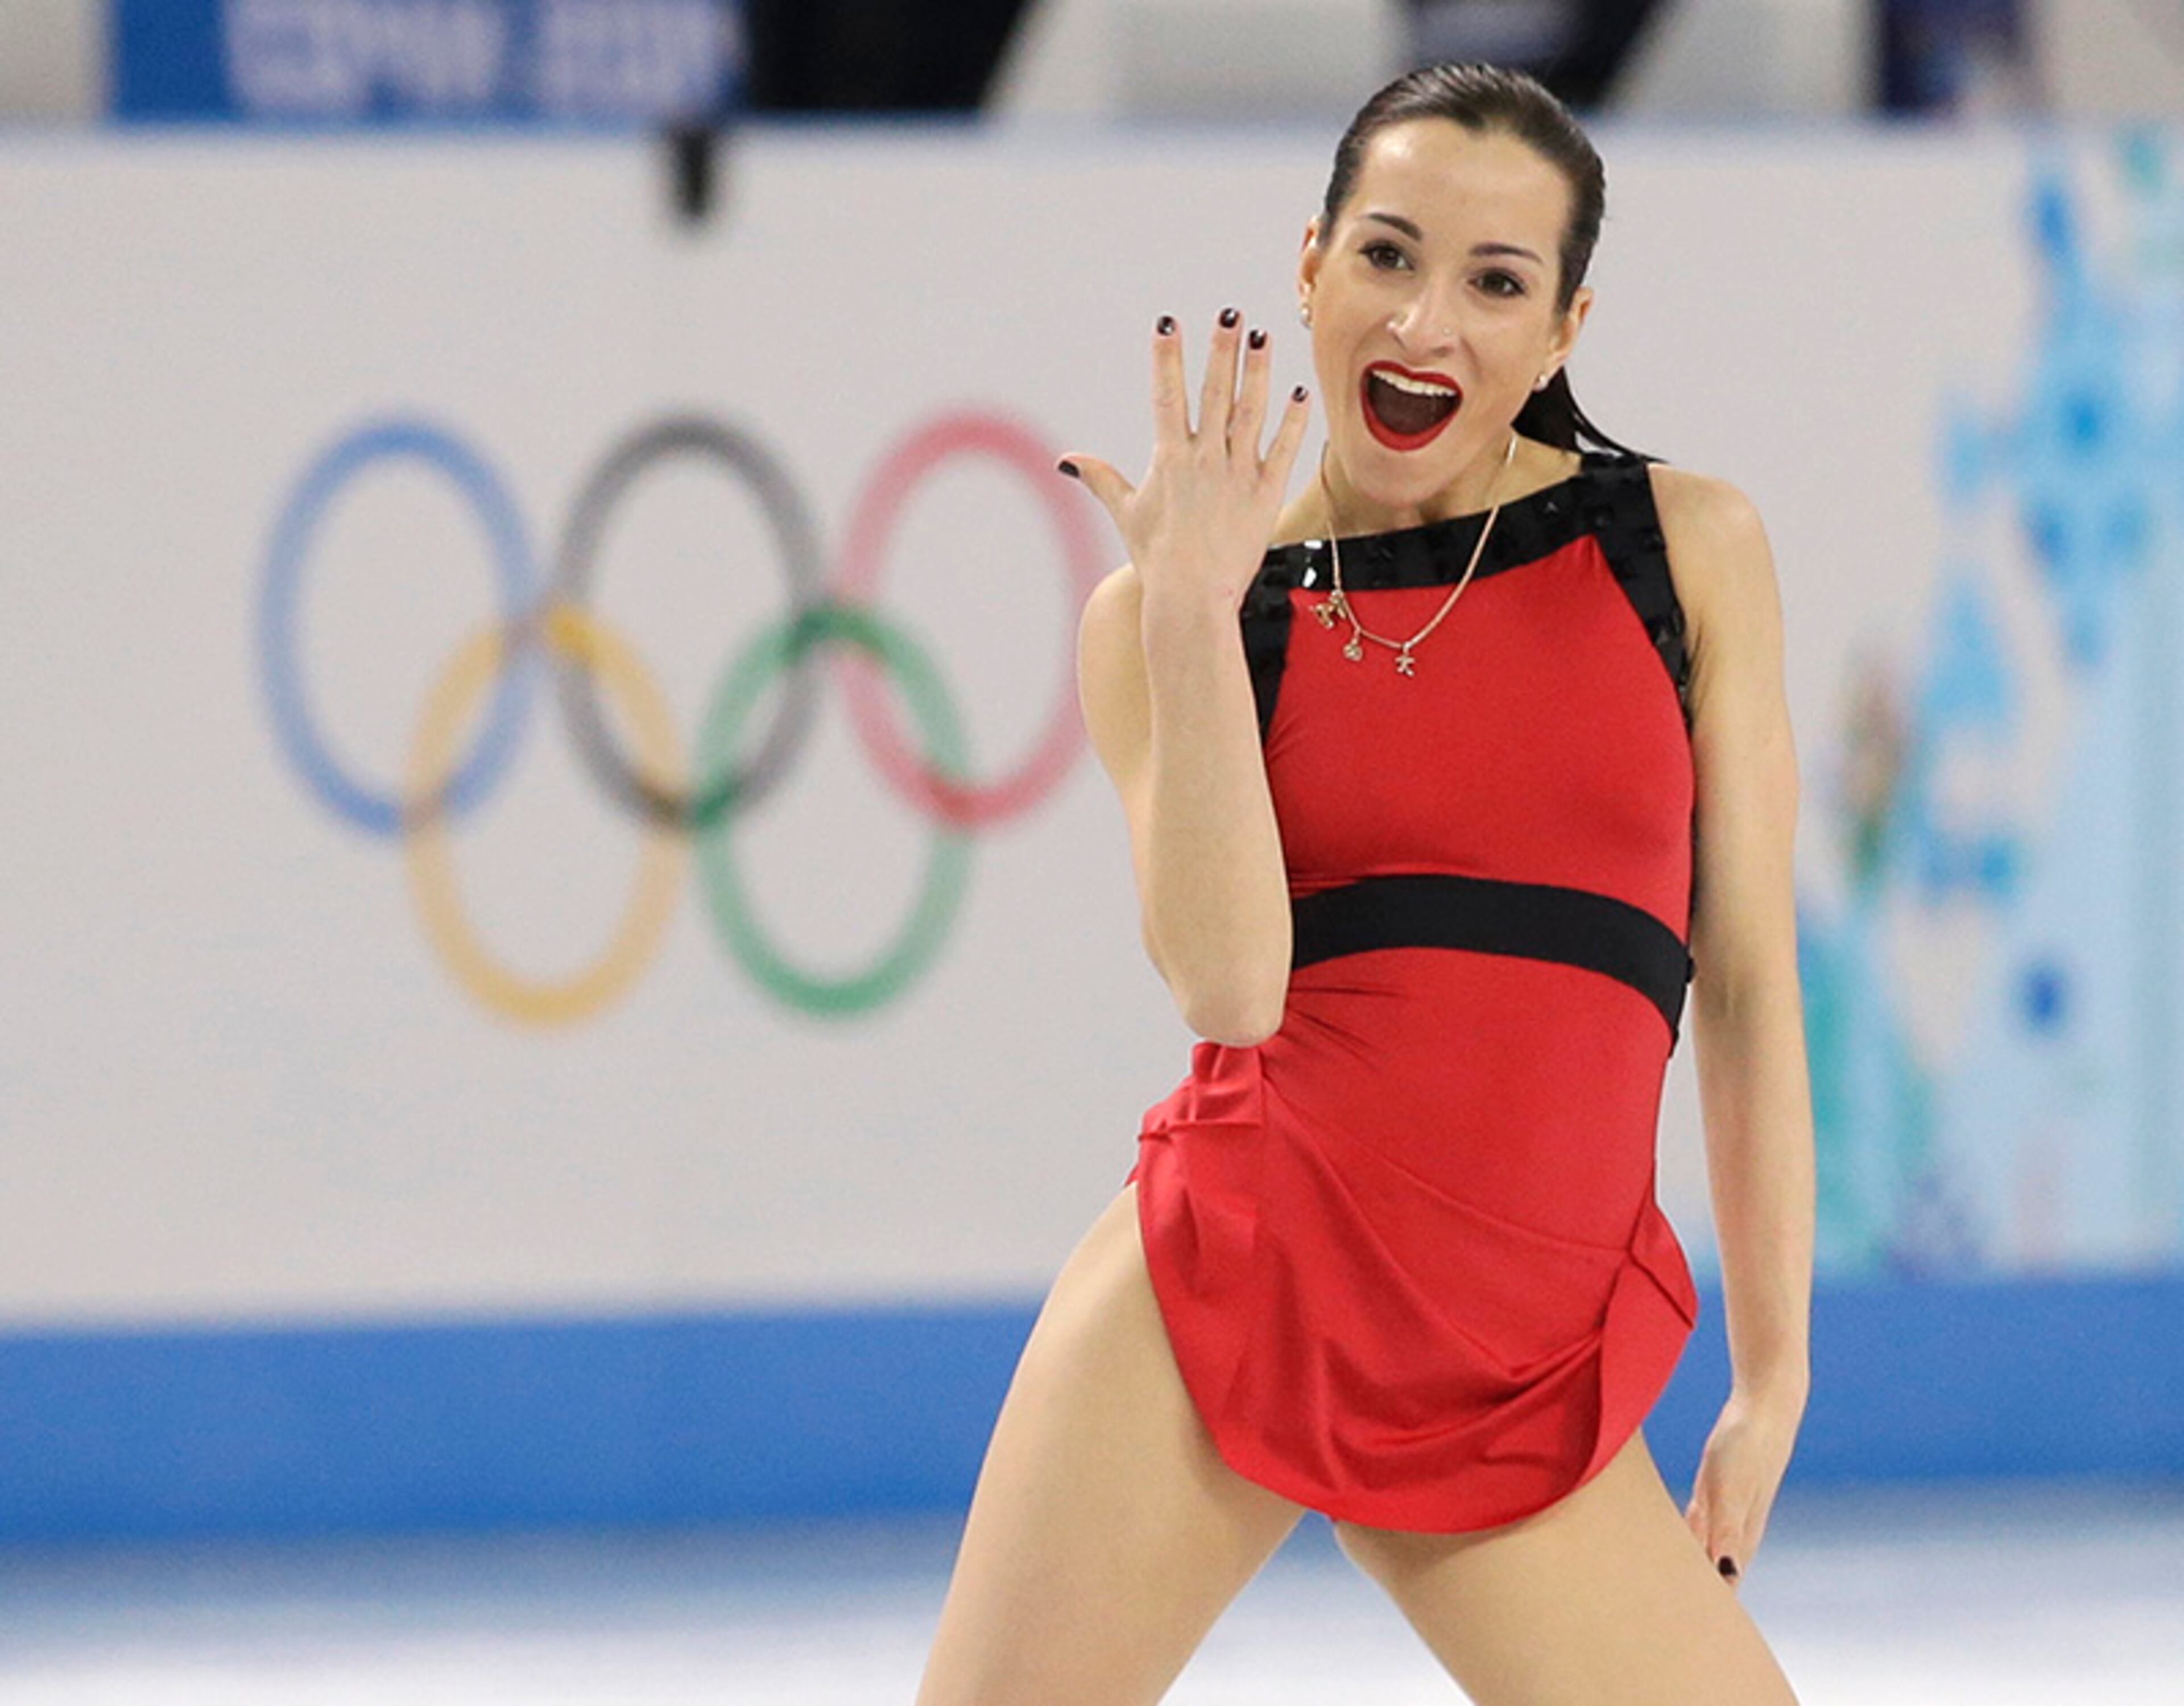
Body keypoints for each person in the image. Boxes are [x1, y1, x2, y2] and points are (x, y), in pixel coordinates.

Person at [916, 61, 1813, 1706]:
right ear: (1312, 264)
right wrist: (1190, 617)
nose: (1427, 325)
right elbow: (1229, 990)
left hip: (1517, 1369)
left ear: (1564, 332)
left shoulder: (1687, 554)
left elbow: (1748, 979)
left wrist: (1773, 1371)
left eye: (1496, 284)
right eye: (1389, 257)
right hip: (1232, 1293)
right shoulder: (1183, 617)